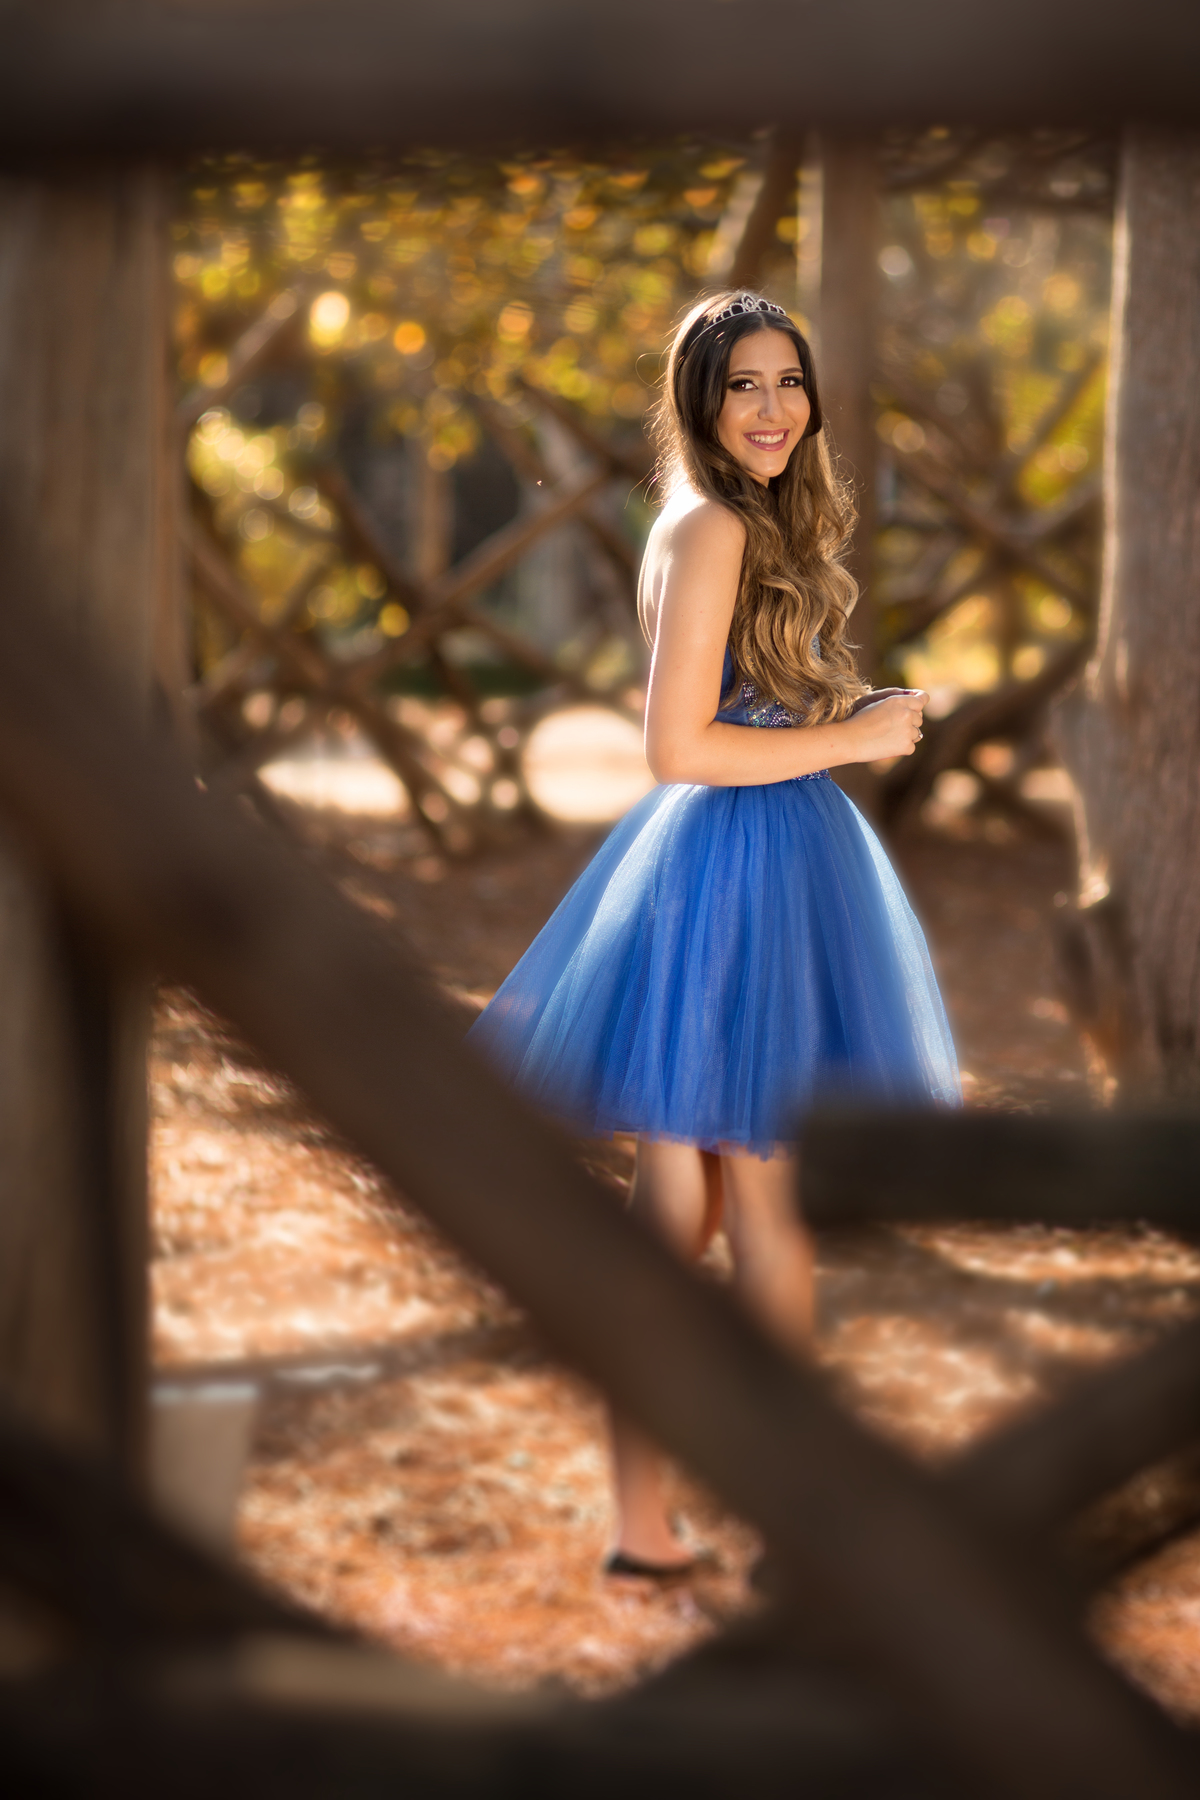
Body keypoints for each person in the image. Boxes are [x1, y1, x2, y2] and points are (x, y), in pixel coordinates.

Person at [468, 290, 960, 1577]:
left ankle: (658, 1524)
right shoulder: (704, 530)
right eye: (744, 384)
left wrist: (845, 708)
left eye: (789, 381)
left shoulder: (725, 524)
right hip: (731, 875)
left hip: (753, 863)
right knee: (755, 1214)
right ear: (699, 399)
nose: (774, 407)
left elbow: (729, 708)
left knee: (687, 1208)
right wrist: (850, 739)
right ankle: (784, 1523)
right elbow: (678, 744)